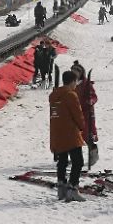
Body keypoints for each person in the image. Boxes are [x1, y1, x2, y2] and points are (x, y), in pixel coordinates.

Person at [49, 70, 86, 201]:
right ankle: (73, 189)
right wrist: (83, 128)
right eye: (76, 81)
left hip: (57, 133)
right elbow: (78, 115)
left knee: (62, 161)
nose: (76, 84)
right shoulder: (71, 95)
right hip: (70, 133)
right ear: (72, 82)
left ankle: (61, 188)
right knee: (78, 162)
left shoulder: (54, 95)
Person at [71, 62, 98, 167]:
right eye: (73, 71)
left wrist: (90, 100)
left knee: (87, 135)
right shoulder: (71, 83)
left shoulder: (86, 84)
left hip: (86, 113)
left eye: (76, 71)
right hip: (74, 113)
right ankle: (77, 158)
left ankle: (93, 152)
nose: (75, 73)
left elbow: (94, 96)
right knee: (74, 137)